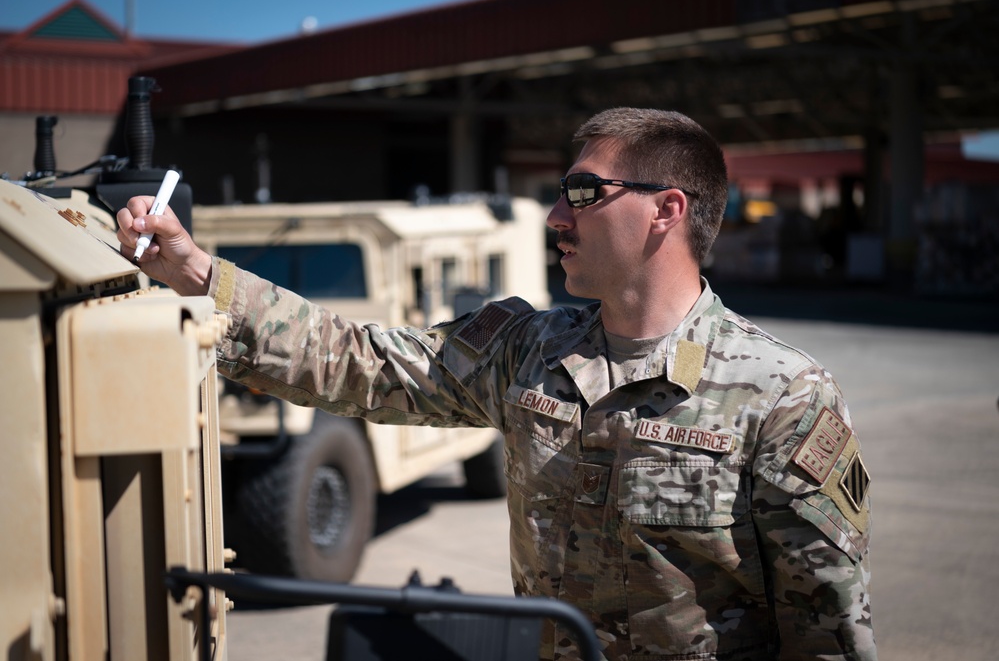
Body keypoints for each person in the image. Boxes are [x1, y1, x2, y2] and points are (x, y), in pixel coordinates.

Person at [118, 108, 876, 660]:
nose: (553, 215)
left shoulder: (782, 395)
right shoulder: (526, 348)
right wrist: (198, 275)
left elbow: (825, 632)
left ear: (665, 211)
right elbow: (358, 359)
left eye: (582, 193)